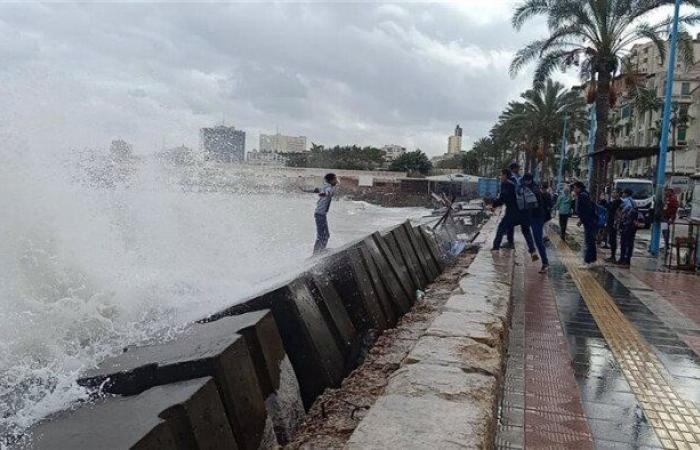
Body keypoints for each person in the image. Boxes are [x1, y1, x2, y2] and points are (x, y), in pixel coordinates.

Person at [491, 168, 538, 260]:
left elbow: (503, 198)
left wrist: (494, 204)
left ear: (505, 175)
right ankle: (532, 251)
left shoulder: (506, 184)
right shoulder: (519, 181)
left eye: (501, 175)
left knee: (501, 227)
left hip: (513, 212)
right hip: (525, 212)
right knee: (526, 231)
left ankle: (495, 248)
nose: (501, 177)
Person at [301, 173, 338, 255]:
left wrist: (304, 190)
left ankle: (320, 251)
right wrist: (324, 194)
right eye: (335, 179)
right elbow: (327, 193)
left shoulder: (324, 186)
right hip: (320, 214)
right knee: (322, 235)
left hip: (320, 214)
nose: (336, 181)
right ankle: (317, 253)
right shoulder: (329, 188)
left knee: (325, 235)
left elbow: (316, 190)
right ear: (331, 180)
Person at [522, 173, 550, 273]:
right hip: (532, 216)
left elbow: (531, 205)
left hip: (537, 217)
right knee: (524, 229)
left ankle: (545, 263)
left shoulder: (534, 190)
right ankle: (532, 250)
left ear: (528, 181)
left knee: (538, 240)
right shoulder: (530, 187)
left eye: (525, 181)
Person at [573, 181, 598, 268]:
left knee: (589, 241)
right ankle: (592, 260)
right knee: (590, 241)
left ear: (579, 188)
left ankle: (587, 261)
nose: (574, 190)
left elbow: (586, 210)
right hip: (589, 220)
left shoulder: (582, 195)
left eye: (575, 188)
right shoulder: (585, 194)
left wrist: (582, 220)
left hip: (589, 221)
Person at [618, 188, 639, 267]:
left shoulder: (626, 201)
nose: (622, 194)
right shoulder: (633, 201)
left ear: (626, 194)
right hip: (633, 225)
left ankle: (622, 259)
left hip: (627, 224)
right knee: (630, 242)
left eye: (623, 193)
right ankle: (627, 260)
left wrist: (622, 214)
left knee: (624, 242)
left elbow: (624, 209)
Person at [604, 190, 623, 263]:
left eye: (614, 192)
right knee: (612, 239)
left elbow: (610, 209)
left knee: (613, 239)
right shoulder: (615, 201)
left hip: (613, 224)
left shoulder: (617, 202)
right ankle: (612, 256)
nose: (612, 194)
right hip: (612, 223)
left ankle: (613, 256)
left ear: (618, 194)